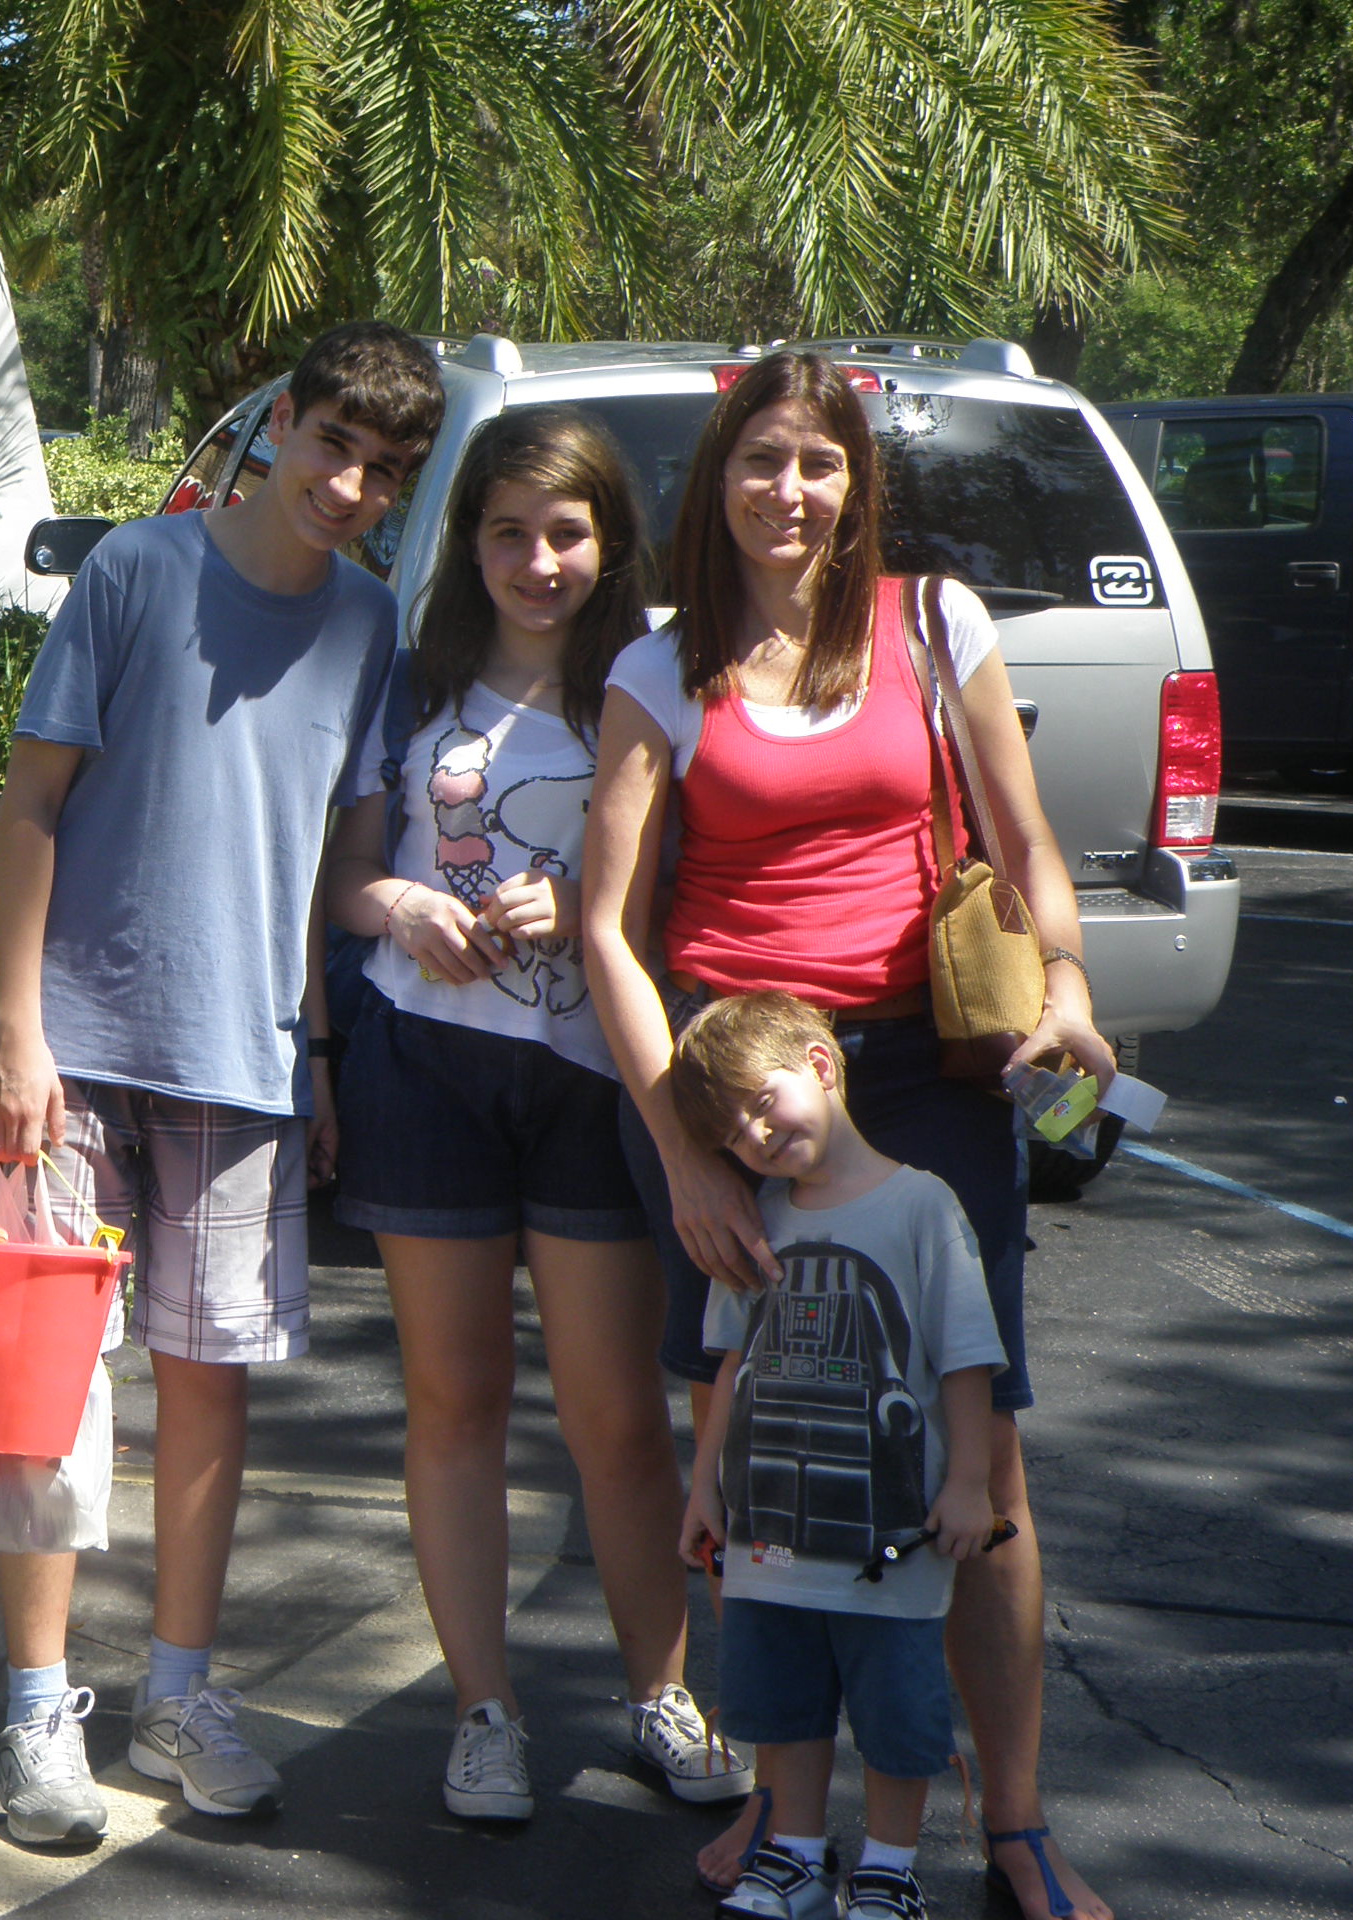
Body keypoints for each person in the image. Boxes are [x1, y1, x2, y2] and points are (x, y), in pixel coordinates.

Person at [581, 349, 1115, 1920]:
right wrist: (687, 1152)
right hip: (740, 1097)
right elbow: (610, 930)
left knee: (981, 1451)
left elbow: (1025, 842)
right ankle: (786, 1804)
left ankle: (1012, 1824)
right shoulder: (660, 668)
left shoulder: (935, 624)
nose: (790, 491)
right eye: (762, 459)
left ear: (856, 482)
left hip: (923, 1081)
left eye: (818, 462)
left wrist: (1071, 986)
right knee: (758, 1457)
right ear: (719, 480)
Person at [0, 322, 444, 1845]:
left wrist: (317, 1053)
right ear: (280, 426)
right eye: (334, 445)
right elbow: (31, 804)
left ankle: (178, 1695)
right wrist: (16, 1030)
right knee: (45, 1388)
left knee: (207, 1389)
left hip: (246, 1062)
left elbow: (325, 859)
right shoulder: (136, 570)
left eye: (384, 469)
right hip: (75, 1056)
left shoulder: (368, 622)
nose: (349, 485)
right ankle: (36, 1710)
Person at [322, 407, 751, 1823]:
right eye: (507, 532)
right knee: (454, 1403)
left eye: (566, 533)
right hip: (424, 1068)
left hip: (595, 1081)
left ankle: (661, 1694)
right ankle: (483, 1714)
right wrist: (403, 907)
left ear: (611, 543)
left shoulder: (656, 675)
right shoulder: (411, 679)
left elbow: (695, 878)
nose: (537, 562)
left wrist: (582, 905)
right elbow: (349, 874)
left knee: (614, 1416)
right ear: (470, 544)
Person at [671, 991, 1008, 1920]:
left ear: (820, 1066)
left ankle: (890, 1867)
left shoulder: (921, 1205)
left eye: (759, 1104)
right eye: (732, 1135)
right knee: (782, 1700)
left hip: (888, 1534)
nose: (754, 1137)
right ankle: (794, 1854)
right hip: (770, 1530)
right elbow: (732, 1363)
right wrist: (705, 1485)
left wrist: (969, 1483)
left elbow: (966, 1359)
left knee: (898, 1708)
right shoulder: (758, 1218)